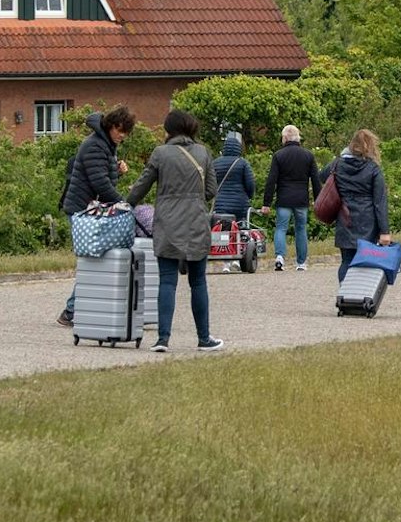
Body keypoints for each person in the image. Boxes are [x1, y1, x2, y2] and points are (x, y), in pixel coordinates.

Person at [126, 109, 222, 352]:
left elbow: (142, 185)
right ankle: (204, 338)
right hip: (196, 223)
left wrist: (127, 204)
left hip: (167, 222)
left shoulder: (161, 153)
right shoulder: (203, 153)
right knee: (198, 281)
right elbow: (211, 189)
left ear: (169, 130)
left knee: (167, 282)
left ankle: (163, 339)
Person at [56, 107, 134, 327]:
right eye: (120, 130)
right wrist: (124, 203)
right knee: (93, 260)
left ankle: (74, 310)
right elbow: (99, 182)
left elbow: (102, 176)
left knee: (96, 259)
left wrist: (116, 170)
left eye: (125, 132)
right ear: (110, 126)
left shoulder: (107, 145)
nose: (122, 135)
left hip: (92, 210)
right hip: (82, 211)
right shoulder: (94, 145)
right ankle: (71, 312)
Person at [330, 128, 393, 282]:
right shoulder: (373, 169)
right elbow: (379, 202)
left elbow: (321, 175)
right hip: (367, 221)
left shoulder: (338, 164)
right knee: (366, 262)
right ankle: (361, 297)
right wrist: (384, 231)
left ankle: (344, 298)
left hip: (345, 217)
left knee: (346, 261)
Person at [260, 124, 318, 271]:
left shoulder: (279, 155)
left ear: (285, 137)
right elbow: (316, 180)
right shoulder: (308, 155)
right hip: (301, 200)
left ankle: (280, 257)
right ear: (298, 137)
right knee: (301, 229)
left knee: (281, 228)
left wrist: (266, 203)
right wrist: (318, 201)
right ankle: (301, 263)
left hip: (284, 199)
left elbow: (271, 180)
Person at [210, 131, 256, 227]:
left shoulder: (215, 163)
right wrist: (249, 196)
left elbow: (211, 184)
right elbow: (250, 184)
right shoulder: (243, 163)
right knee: (240, 228)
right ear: (238, 149)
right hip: (240, 204)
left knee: (221, 227)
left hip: (220, 204)